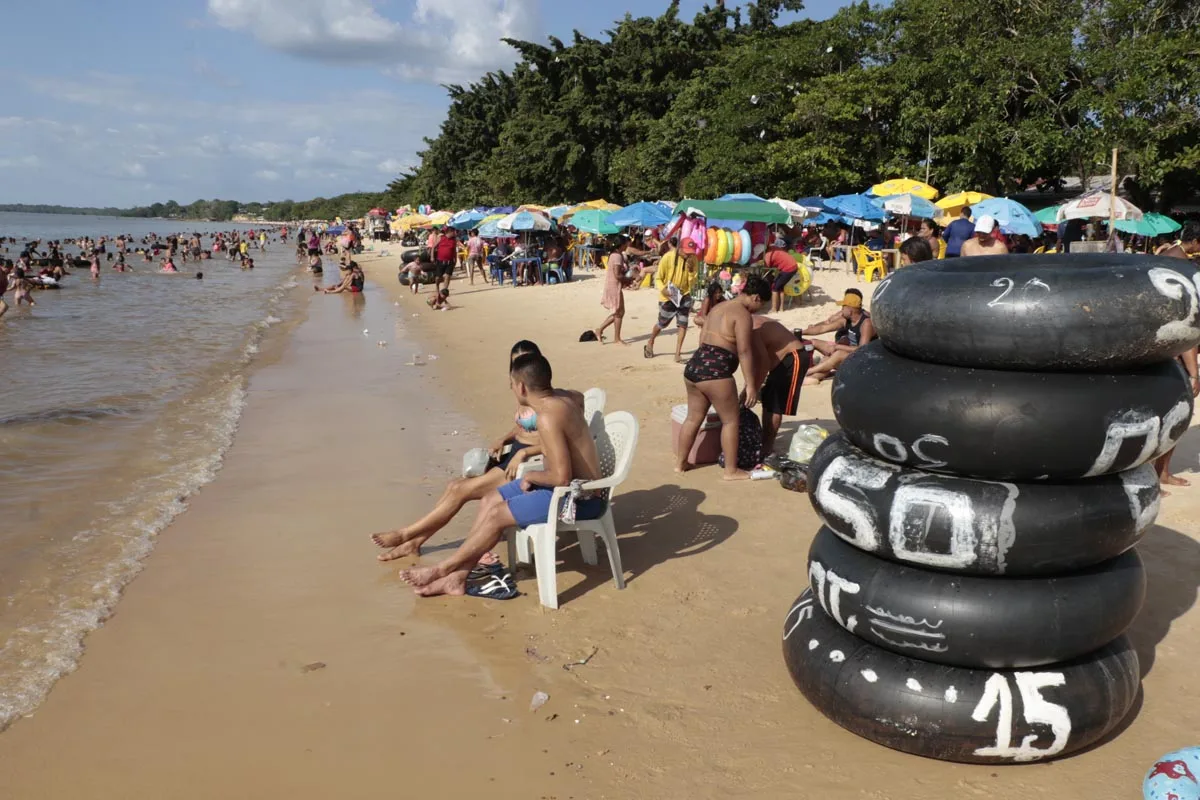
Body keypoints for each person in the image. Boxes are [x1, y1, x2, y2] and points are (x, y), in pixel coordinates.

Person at [397, 352, 605, 597]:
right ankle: (457, 579)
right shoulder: (562, 400)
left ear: (521, 387)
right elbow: (578, 402)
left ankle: (445, 569)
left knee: (497, 516)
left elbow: (561, 478)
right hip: (566, 487)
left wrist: (531, 477)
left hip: (579, 498)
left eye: (511, 385)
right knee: (490, 500)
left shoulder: (548, 417)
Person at [372, 343, 578, 553]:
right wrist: (504, 439)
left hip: (524, 462)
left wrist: (525, 452)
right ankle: (415, 542)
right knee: (455, 485)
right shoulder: (523, 394)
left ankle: (407, 534)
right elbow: (522, 427)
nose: (517, 366)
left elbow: (558, 439)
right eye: (514, 362)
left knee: (461, 490)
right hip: (514, 452)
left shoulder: (551, 401)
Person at [675, 275, 770, 480]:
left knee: (693, 418)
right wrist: (752, 385)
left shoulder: (718, 307)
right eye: (760, 305)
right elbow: (745, 351)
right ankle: (731, 471)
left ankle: (680, 464)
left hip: (695, 366)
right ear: (755, 297)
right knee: (731, 421)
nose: (758, 310)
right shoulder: (742, 315)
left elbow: (702, 340)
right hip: (717, 370)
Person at [1154, 222, 1200, 491]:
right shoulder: (1184, 270)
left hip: (1161, 350)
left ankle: (1162, 473)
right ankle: (1160, 474)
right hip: (1177, 355)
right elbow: (1187, 327)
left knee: (1164, 415)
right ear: (1194, 241)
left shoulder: (1165, 257)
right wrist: (1194, 373)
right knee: (1175, 416)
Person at [751, 316, 811, 455]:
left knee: (775, 404)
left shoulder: (752, 327)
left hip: (793, 358)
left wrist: (752, 388)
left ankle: (767, 447)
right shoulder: (747, 322)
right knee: (769, 400)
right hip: (780, 362)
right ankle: (766, 442)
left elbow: (762, 363)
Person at [801, 289, 874, 385]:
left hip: (862, 361)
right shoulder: (845, 319)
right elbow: (823, 328)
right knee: (816, 344)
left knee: (837, 354)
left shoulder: (866, 323)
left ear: (850, 310)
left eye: (843, 307)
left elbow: (862, 349)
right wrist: (801, 332)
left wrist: (837, 347)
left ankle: (808, 372)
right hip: (846, 353)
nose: (841, 310)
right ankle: (813, 378)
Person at [644, 238, 700, 362]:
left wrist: (691, 271)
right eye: (685, 251)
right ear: (679, 248)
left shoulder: (693, 260)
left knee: (683, 324)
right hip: (668, 296)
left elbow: (693, 281)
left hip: (684, 295)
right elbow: (658, 278)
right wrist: (663, 289)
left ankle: (677, 353)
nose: (687, 254)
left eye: (690, 252)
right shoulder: (668, 257)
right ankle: (651, 341)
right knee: (662, 323)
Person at [593, 237, 632, 345]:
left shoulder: (614, 255)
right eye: (626, 244)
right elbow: (617, 274)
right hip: (614, 286)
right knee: (619, 313)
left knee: (618, 312)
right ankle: (616, 338)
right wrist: (629, 279)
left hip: (612, 284)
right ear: (622, 245)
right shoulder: (617, 256)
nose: (627, 246)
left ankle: (600, 330)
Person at [764, 239, 800, 313]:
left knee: (774, 287)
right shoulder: (774, 248)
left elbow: (766, 269)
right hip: (793, 265)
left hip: (788, 268)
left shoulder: (767, 255)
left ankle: (774, 309)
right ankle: (781, 308)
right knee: (780, 287)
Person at [432, 229, 457, 294]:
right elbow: (433, 247)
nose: (454, 233)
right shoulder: (441, 238)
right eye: (453, 232)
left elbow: (454, 250)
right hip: (440, 261)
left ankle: (444, 291)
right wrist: (432, 257)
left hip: (450, 261)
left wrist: (455, 259)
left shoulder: (454, 240)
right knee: (438, 278)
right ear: (449, 232)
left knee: (447, 276)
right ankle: (437, 287)